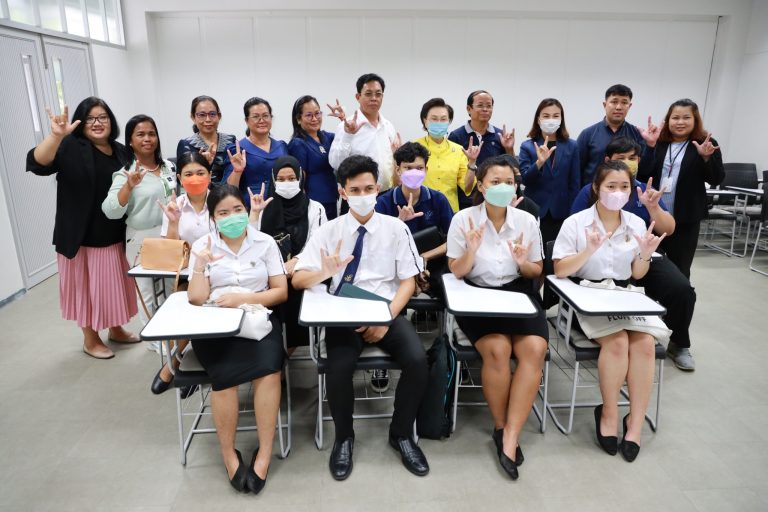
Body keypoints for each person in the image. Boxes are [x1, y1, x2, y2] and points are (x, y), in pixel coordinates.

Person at [292, 155, 430, 481]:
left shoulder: (396, 229)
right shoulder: (329, 231)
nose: (363, 194)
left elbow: (408, 282)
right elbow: (297, 280)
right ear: (342, 192)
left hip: (385, 310)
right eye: (355, 190)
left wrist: (385, 319)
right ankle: (344, 437)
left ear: (378, 188)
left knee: (417, 361)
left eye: (368, 188)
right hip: (343, 313)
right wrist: (323, 271)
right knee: (338, 367)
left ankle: (401, 434)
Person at [553, 160, 667, 463]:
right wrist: (589, 250)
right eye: (611, 186)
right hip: (587, 295)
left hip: (624, 295)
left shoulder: (637, 223)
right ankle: (609, 413)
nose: (618, 192)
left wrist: (645, 255)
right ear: (596, 188)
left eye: (624, 187)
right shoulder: (576, 223)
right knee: (617, 343)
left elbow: (637, 274)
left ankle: (635, 422)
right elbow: (560, 270)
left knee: (644, 344)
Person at [446, 154, 547, 480]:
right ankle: (500, 425)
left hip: (519, 293)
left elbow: (536, 271)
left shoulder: (527, 221)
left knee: (534, 350)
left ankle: (511, 436)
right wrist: (472, 249)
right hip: (477, 295)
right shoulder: (463, 220)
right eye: (495, 181)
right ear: (481, 185)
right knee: (499, 350)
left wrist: (522, 261)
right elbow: (457, 271)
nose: (503, 187)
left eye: (509, 182)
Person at [187, 184, 288, 494]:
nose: (232, 217)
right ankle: (229, 454)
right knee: (224, 378)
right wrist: (201, 265)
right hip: (215, 324)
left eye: (237, 210)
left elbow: (280, 292)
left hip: (257, 320)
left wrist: (244, 297)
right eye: (223, 213)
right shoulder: (202, 246)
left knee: (269, 370)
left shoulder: (265, 243)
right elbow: (196, 298)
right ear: (213, 218)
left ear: (246, 210)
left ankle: (265, 452)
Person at [26, 98, 138, 359]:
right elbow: (37, 163)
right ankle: (90, 338)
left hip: (114, 233)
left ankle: (116, 329)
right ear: (81, 123)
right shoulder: (70, 146)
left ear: (111, 121)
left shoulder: (121, 151)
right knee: (87, 290)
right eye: (90, 118)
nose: (97, 123)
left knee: (113, 287)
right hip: (82, 237)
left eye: (102, 117)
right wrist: (56, 136)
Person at [571, 138, 696, 370]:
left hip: (643, 253)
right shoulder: (590, 191)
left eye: (632, 158)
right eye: (621, 158)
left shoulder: (644, 190)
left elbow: (668, 229)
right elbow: (575, 227)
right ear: (608, 162)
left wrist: (652, 207)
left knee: (681, 289)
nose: (627, 163)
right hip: (603, 257)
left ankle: (679, 343)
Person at [637, 98, 725, 281]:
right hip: (655, 216)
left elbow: (716, 179)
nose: (680, 122)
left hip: (686, 218)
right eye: (675, 117)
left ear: (695, 120)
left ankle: (677, 298)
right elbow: (643, 175)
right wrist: (650, 146)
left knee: (680, 268)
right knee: (650, 264)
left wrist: (706, 158)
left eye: (686, 117)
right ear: (668, 120)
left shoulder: (705, 143)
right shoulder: (659, 142)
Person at [102, 115, 176, 327]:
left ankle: (172, 336)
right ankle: (154, 339)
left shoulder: (169, 167)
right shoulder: (125, 173)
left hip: (170, 235)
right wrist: (129, 186)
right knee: (147, 294)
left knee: (171, 289)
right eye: (140, 134)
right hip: (142, 240)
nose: (147, 139)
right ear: (130, 141)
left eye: (152, 134)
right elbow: (110, 211)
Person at [152, 151, 215, 394]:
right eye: (188, 174)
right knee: (185, 307)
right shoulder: (174, 205)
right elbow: (171, 250)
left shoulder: (221, 200)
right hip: (189, 275)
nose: (195, 178)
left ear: (209, 175)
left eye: (200, 172)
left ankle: (176, 366)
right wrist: (174, 222)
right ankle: (181, 364)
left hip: (221, 273)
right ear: (179, 177)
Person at [255, 156, 327, 354]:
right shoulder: (265, 208)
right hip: (271, 273)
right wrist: (253, 214)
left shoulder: (315, 208)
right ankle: (270, 349)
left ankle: (283, 354)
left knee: (297, 294)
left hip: (302, 271)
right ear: (274, 180)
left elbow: (317, 243)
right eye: (281, 179)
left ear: (300, 178)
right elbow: (255, 244)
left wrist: (296, 261)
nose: (286, 183)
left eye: (291, 178)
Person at [376, 142, 454, 295]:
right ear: (398, 170)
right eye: (408, 168)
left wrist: (424, 257)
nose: (414, 173)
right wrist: (399, 222)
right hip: (395, 265)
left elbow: (454, 240)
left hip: (432, 263)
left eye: (419, 168)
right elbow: (376, 244)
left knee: (444, 288)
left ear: (426, 170)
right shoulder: (383, 202)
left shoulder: (438, 199)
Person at [518, 98, 580, 243]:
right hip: (534, 209)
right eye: (546, 116)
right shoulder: (527, 146)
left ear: (561, 119)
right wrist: (539, 163)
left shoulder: (572, 146)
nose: (551, 120)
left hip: (562, 210)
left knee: (558, 251)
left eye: (555, 116)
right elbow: (525, 180)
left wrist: (574, 213)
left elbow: (574, 183)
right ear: (538, 119)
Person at [327, 73, 400, 191]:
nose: (374, 98)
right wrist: (348, 135)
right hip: (359, 194)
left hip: (387, 192)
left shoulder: (388, 126)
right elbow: (336, 163)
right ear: (358, 97)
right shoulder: (346, 126)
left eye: (378, 94)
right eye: (368, 94)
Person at [448, 90, 517, 209]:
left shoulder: (499, 135)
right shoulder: (456, 136)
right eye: (480, 105)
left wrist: (509, 148)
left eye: (489, 106)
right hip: (466, 199)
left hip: (494, 197)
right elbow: (452, 170)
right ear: (469, 109)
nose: (485, 109)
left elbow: (511, 167)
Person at [414, 98, 477, 213]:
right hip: (420, 210)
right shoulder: (414, 147)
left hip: (450, 210)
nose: (439, 123)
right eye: (434, 119)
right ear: (425, 120)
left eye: (443, 119)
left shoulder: (459, 150)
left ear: (449, 122)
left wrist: (472, 163)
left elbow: (467, 188)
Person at [576, 84, 646, 186]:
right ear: (605, 105)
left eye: (624, 103)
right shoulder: (588, 134)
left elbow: (644, 169)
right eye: (614, 102)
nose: (618, 107)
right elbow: (577, 169)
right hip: (592, 191)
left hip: (625, 191)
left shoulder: (637, 134)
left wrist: (651, 145)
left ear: (630, 106)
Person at [223, 97, 288, 203]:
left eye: (265, 116)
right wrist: (237, 171)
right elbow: (229, 189)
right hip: (251, 206)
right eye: (256, 117)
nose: (262, 121)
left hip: (281, 205)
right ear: (247, 121)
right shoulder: (237, 149)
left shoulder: (282, 146)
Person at [288, 95, 338, 220]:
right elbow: (299, 178)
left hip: (331, 198)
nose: (315, 119)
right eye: (309, 115)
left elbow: (348, 137)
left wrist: (343, 119)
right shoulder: (298, 144)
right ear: (298, 119)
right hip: (313, 203)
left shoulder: (328, 137)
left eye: (317, 113)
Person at [176, 95, 236, 183]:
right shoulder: (186, 145)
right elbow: (181, 180)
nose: (208, 119)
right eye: (202, 115)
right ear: (193, 117)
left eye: (212, 114)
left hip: (230, 191)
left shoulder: (231, 140)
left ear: (219, 116)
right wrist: (200, 165)